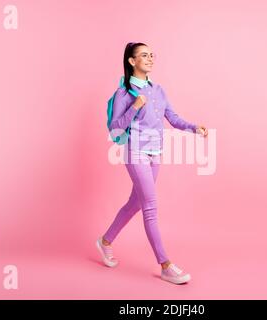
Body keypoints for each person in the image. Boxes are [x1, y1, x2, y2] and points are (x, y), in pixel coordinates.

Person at [96, 42, 208, 284]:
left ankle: (105, 241)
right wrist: (135, 107)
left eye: (151, 55)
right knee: (150, 206)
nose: (149, 58)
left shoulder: (158, 90)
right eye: (143, 55)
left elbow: (173, 117)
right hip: (135, 151)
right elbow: (116, 127)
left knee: (134, 203)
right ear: (132, 61)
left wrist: (193, 128)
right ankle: (165, 265)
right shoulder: (124, 94)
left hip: (155, 152)